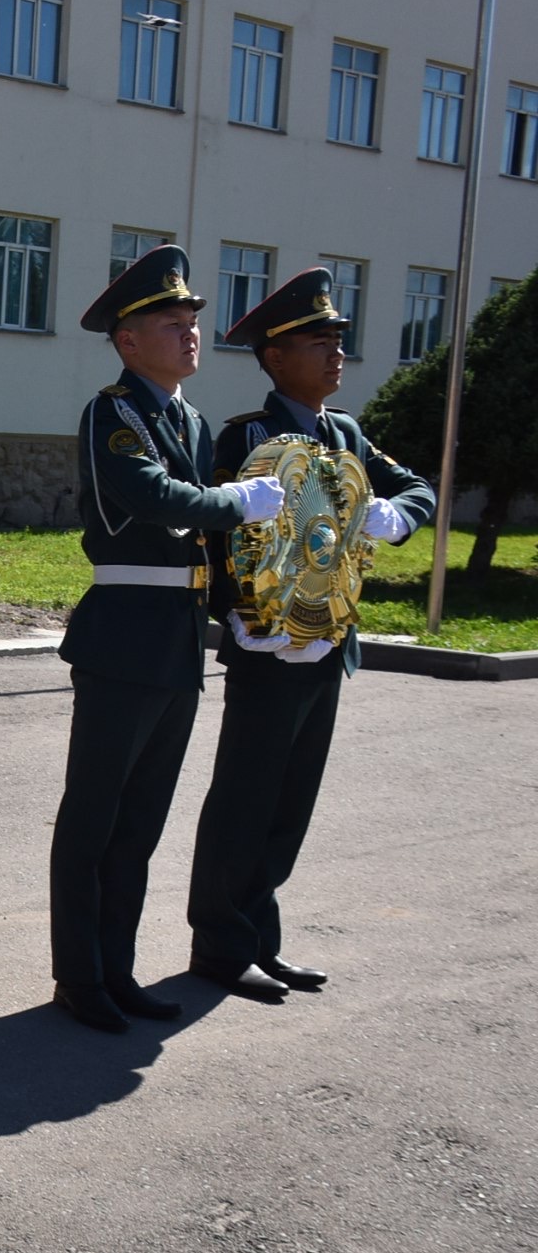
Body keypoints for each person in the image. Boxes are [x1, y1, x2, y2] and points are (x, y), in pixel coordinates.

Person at [47, 246, 285, 1035]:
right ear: (127, 341)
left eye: (190, 322)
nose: (189, 335)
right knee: (94, 819)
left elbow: (207, 539)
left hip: (177, 639)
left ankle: (117, 967)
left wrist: (234, 606)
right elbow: (152, 496)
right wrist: (233, 499)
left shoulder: (188, 418)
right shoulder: (113, 412)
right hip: (123, 637)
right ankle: (78, 977)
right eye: (170, 324)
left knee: (141, 823)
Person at [184, 268, 434, 999]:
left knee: (290, 802)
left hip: (326, 643)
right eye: (316, 341)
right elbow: (215, 538)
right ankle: (221, 946)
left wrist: (395, 516)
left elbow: (412, 486)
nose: (335, 354)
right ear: (274, 357)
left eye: (337, 340)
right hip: (269, 644)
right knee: (245, 798)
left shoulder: (346, 433)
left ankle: (260, 937)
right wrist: (237, 615)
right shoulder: (248, 435)